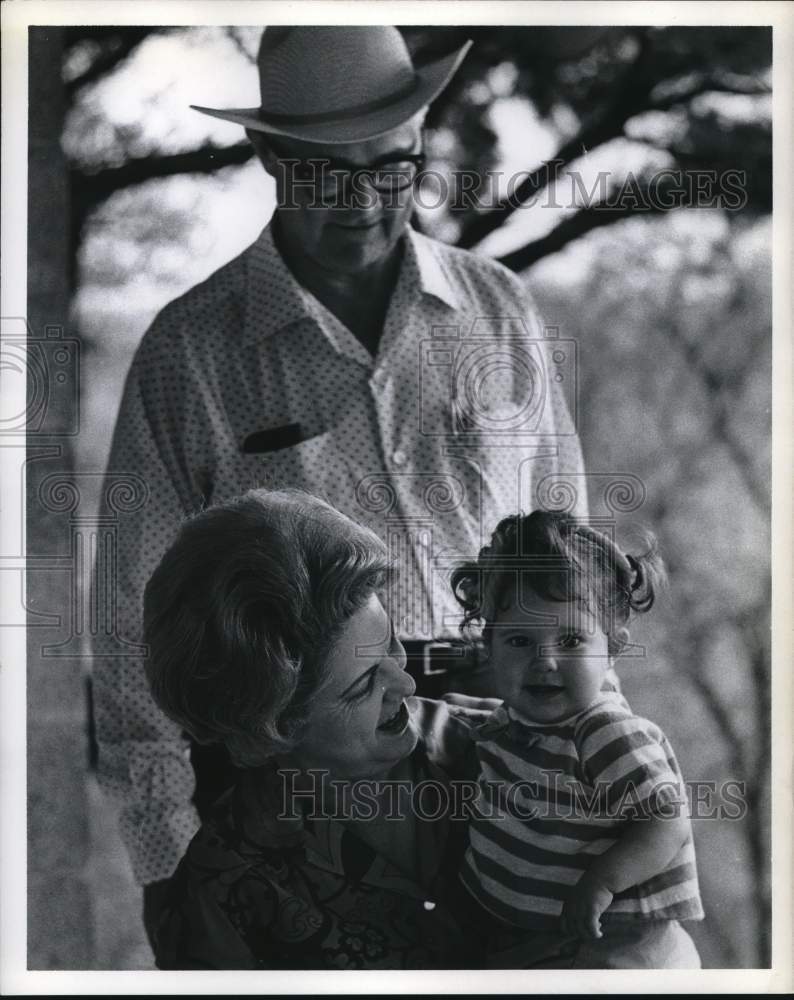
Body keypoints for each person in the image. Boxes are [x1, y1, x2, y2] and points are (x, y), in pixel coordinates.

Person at [93, 26, 588, 936]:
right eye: (327, 174)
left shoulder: (500, 310)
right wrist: (170, 862)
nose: (363, 203)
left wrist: (595, 752)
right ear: (267, 156)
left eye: (393, 170)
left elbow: (568, 565)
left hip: (506, 754)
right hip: (296, 782)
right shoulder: (190, 351)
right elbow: (133, 627)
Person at [141, 488, 494, 969]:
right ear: (276, 725)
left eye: (391, 643)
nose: (406, 682)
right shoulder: (222, 891)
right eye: (363, 685)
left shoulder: (506, 746)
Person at [448, 511, 704, 968]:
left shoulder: (605, 733)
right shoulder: (521, 718)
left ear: (613, 648)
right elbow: (509, 730)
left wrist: (603, 883)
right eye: (520, 641)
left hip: (608, 939)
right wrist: (462, 715)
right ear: (490, 647)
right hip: (529, 933)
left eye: (570, 641)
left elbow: (667, 819)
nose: (545, 662)